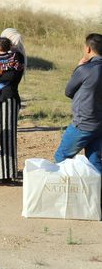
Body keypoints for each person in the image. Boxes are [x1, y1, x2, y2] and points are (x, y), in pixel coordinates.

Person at [53, 33, 102, 174]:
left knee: (61, 156)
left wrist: (79, 67)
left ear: (88, 49)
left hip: (83, 123)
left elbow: (68, 91)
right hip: (99, 124)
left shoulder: (86, 69)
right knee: (94, 161)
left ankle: (64, 185)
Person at [0, 28, 27, 183]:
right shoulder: (9, 57)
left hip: (7, 99)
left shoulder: (17, 57)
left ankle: (6, 174)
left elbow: (11, 77)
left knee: (6, 136)